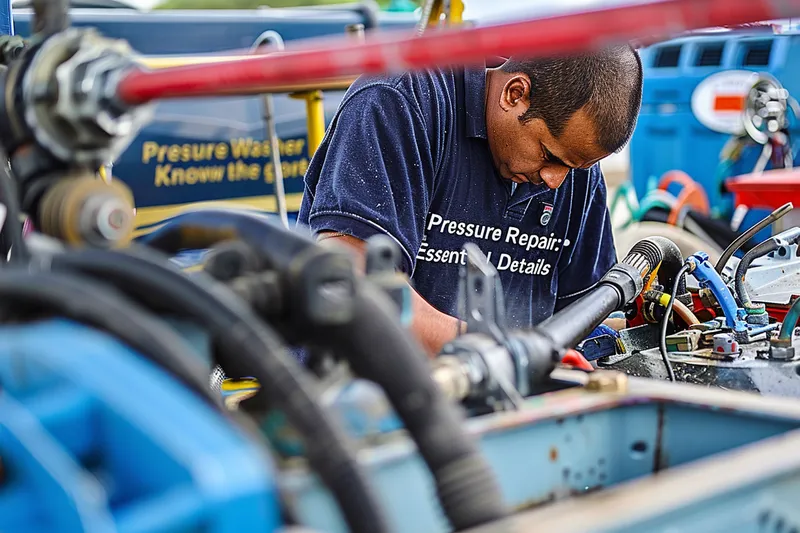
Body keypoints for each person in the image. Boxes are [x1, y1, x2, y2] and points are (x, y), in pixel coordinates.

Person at [297, 46, 643, 357]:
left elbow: (580, 317)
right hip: (360, 407)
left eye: (577, 167)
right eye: (549, 155)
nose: (556, 181)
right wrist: (506, 355)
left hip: (504, 404)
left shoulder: (573, 166)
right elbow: (355, 283)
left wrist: (634, 332)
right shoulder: (399, 101)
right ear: (514, 94)